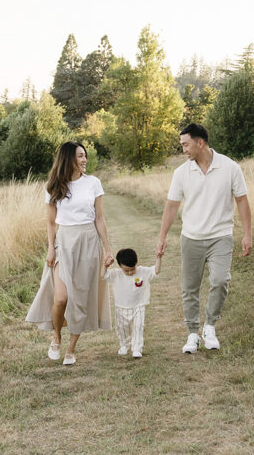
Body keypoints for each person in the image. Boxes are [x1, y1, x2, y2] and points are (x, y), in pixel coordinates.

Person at [156, 123, 252, 354]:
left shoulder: (230, 167)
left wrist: (248, 234)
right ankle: (192, 333)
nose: (183, 150)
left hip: (221, 236)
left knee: (220, 280)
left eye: (185, 145)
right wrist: (162, 237)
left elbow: (241, 200)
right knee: (190, 288)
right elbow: (171, 206)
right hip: (191, 237)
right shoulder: (181, 173)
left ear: (200, 143)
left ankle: (209, 326)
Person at [25, 141, 114, 365]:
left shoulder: (93, 183)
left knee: (81, 299)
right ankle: (56, 338)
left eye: (85, 156)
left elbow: (99, 219)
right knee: (61, 298)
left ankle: (71, 349)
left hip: (88, 242)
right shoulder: (54, 186)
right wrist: (50, 249)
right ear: (68, 159)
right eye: (80, 156)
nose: (84, 160)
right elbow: (51, 224)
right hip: (64, 243)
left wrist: (107, 250)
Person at [102, 247, 162, 358]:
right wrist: (105, 266)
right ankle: (124, 345)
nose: (130, 272)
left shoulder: (142, 271)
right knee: (122, 328)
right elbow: (103, 275)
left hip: (138, 306)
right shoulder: (116, 274)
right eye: (126, 270)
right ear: (120, 266)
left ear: (136, 263)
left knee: (138, 327)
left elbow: (156, 271)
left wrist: (158, 257)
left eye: (132, 269)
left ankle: (137, 348)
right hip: (121, 307)